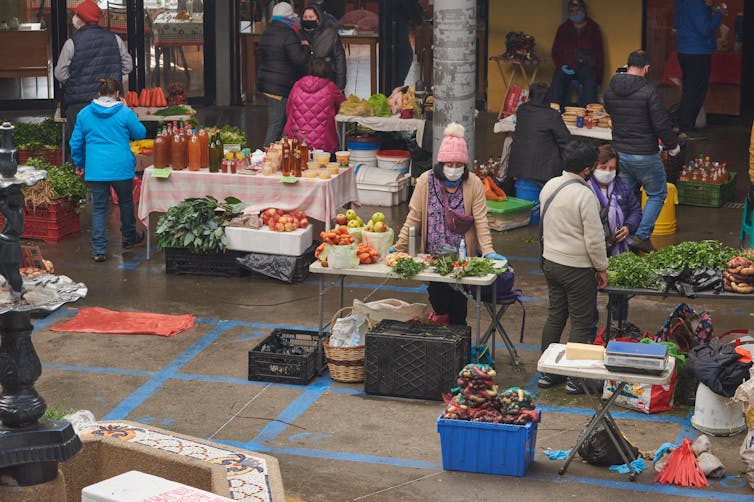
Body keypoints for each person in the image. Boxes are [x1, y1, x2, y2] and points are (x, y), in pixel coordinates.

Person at [394, 123, 506, 325]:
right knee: (439, 302)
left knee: (458, 309)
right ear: (441, 162)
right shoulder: (425, 182)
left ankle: (457, 347)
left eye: (458, 165)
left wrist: (488, 251)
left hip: (461, 260)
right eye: (449, 164)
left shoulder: (473, 184)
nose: (453, 169)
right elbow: (414, 218)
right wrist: (399, 246)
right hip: (433, 259)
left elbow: (481, 220)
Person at [537, 140, 608, 392]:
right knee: (581, 320)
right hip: (576, 268)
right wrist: (602, 267)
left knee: (556, 314)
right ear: (587, 170)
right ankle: (574, 378)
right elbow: (594, 239)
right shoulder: (584, 195)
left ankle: (547, 372)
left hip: (550, 262)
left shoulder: (550, 186)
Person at [603, 50, 680, 254]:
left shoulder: (611, 87)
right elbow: (661, 123)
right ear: (646, 68)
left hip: (620, 152)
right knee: (657, 193)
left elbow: (609, 109)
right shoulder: (649, 91)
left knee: (625, 195)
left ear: (628, 66)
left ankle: (619, 233)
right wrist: (673, 145)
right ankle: (642, 236)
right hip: (644, 153)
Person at [70, 78, 146, 263]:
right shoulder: (124, 112)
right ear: (118, 94)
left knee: (99, 208)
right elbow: (140, 134)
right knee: (126, 202)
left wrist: (79, 163)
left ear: (99, 93)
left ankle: (99, 250)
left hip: (96, 169)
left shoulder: (84, 114)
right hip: (121, 167)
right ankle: (128, 238)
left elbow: (75, 143)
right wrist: (129, 111)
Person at [54, 0, 133, 154]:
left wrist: (77, 81)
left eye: (76, 15)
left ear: (81, 18)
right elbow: (128, 66)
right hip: (110, 103)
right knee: (109, 145)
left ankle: (80, 176)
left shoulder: (72, 43)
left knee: (80, 148)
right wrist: (112, 77)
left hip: (79, 106)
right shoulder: (114, 39)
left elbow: (60, 74)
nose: (74, 18)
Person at [588, 144, 642, 331]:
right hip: (592, 250)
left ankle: (617, 326)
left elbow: (635, 210)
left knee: (619, 292)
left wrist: (628, 227)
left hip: (619, 249)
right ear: (593, 166)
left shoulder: (622, 186)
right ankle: (590, 333)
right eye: (603, 168)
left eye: (611, 168)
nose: (607, 172)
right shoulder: (585, 188)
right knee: (588, 294)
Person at [257, 2, 312, 145]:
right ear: (289, 18)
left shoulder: (267, 31)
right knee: (276, 124)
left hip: (266, 83)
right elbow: (299, 59)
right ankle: (267, 158)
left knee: (277, 123)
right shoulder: (288, 34)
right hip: (278, 87)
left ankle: (275, 157)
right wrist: (306, 47)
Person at [674, 0, 725, 134]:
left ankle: (684, 125)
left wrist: (708, 9)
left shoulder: (682, 2)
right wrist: (719, 14)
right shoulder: (695, 3)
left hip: (686, 50)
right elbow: (705, 29)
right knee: (695, 92)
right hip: (698, 51)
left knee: (690, 90)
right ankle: (685, 128)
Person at [508, 82, 571, 187]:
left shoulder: (522, 110)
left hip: (519, 168)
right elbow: (565, 141)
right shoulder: (552, 115)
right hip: (543, 172)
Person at [549, 0, 604, 110]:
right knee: (557, 82)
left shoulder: (593, 28)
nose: (575, 13)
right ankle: (554, 114)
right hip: (566, 67)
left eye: (578, 10)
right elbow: (555, 51)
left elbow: (599, 55)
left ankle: (587, 117)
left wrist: (599, 79)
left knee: (590, 84)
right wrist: (561, 66)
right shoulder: (563, 29)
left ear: (584, 10)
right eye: (571, 11)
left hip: (586, 67)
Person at [283, 58, 345, 153]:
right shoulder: (331, 88)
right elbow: (343, 106)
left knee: (297, 166)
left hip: (296, 141)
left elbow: (288, 110)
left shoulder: (297, 85)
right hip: (323, 145)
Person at [301, 4, 347, 90]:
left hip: (327, 81)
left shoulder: (330, 34)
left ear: (318, 19)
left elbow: (340, 59)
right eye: (305, 17)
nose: (308, 19)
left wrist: (340, 85)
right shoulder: (298, 35)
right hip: (305, 84)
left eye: (311, 17)